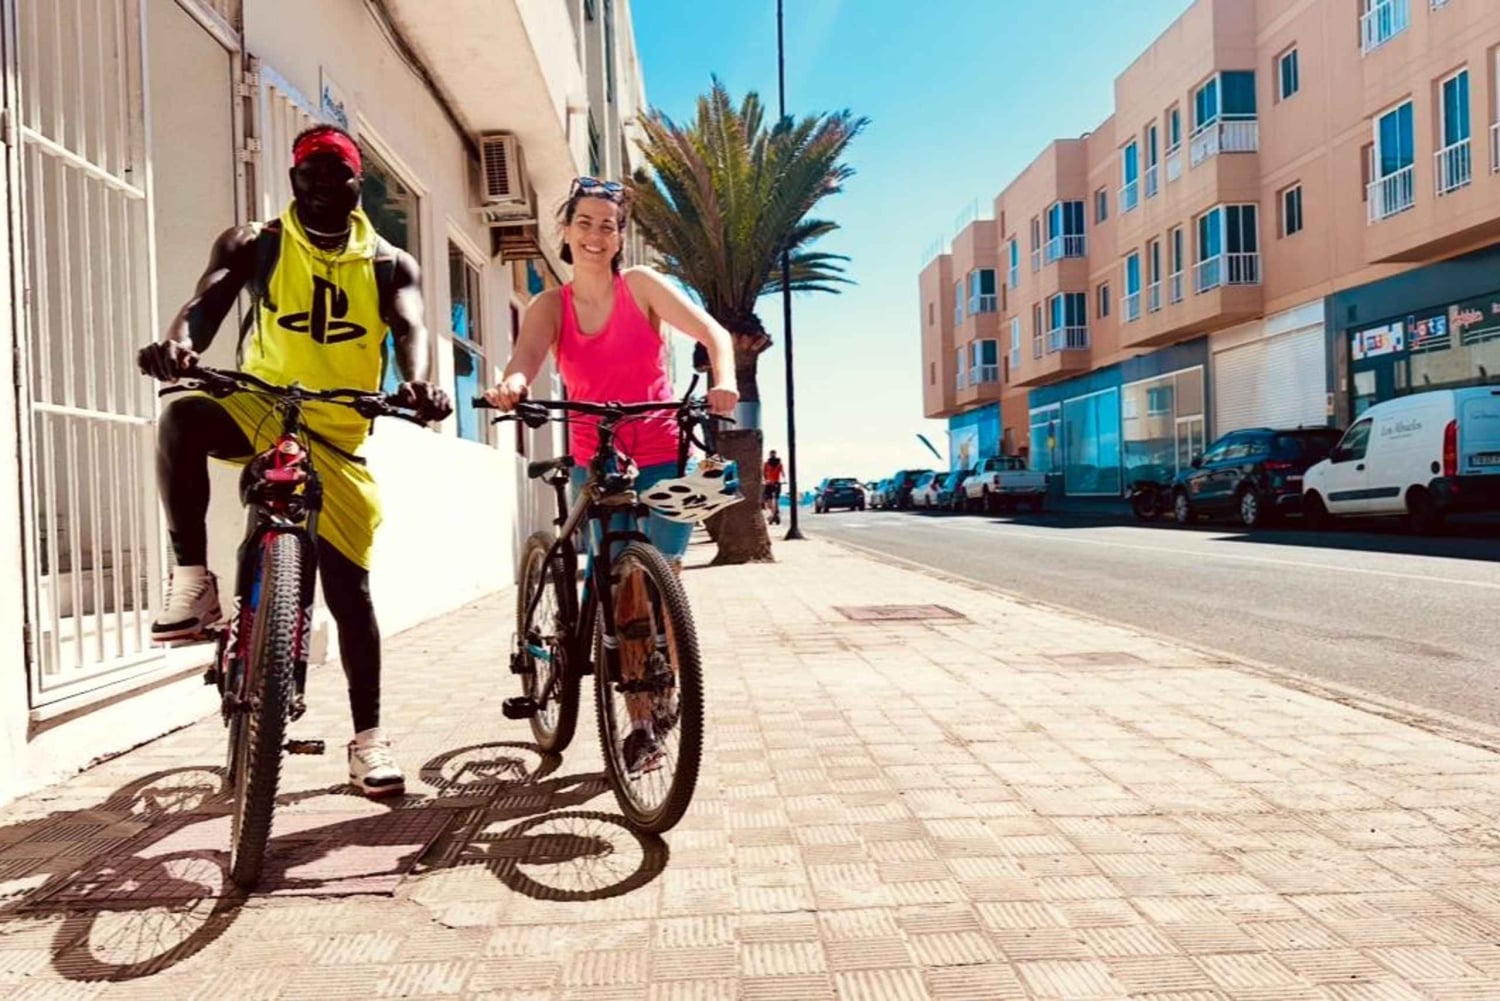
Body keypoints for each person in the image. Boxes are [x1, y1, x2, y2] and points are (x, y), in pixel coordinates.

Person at [137, 124, 451, 798]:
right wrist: (179, 347)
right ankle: (193, 576)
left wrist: (420, 381)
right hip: (261, 408)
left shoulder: (388, 261)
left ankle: (369, 739)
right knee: (183, 415)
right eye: (306, 175)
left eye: (333, 174)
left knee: (350, 592)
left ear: (355, 182)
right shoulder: (256, 242)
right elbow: (206, 303)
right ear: (291, 181)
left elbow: (411, 326)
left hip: (336, 434)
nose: (318, 187)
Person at [485, 176, 737, 772]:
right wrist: (512, 385)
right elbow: (526, 360)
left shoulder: (642, 287)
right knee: (622, 585)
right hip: (592, 452)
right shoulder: (552, 305)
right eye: (585, 223)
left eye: (608, 224)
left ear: (619, 236)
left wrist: (723, 378)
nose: (597, 234)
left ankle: (666, 677)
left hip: (658, 443)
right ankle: (642, 728)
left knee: (662, 577)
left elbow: (714, 334)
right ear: (566, 232)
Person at [763, 450, 784, 524]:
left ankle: (775, 512)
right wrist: (765, 480)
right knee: (769, 499)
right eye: (772, 454)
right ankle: (773, 512)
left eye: (773, 454)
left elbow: (782, 473)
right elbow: (764, 473)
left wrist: (783, 480)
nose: (772, 455)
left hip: (775, 483)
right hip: (769, 483)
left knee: (775, 498)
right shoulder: (766, 463)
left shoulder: (779, 464)